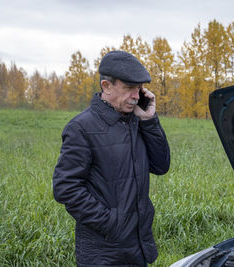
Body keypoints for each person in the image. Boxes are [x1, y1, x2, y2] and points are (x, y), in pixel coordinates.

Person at [53, 50, 171, 267]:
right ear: (106, 86)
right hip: (103, 253)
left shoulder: (137, 120)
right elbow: (66, 187)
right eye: (128, 89)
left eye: (139, 89)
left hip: (138, 247)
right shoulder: (81, 128)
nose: (136, 96)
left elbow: (161, 165)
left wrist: (149, 121)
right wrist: (111, 224)